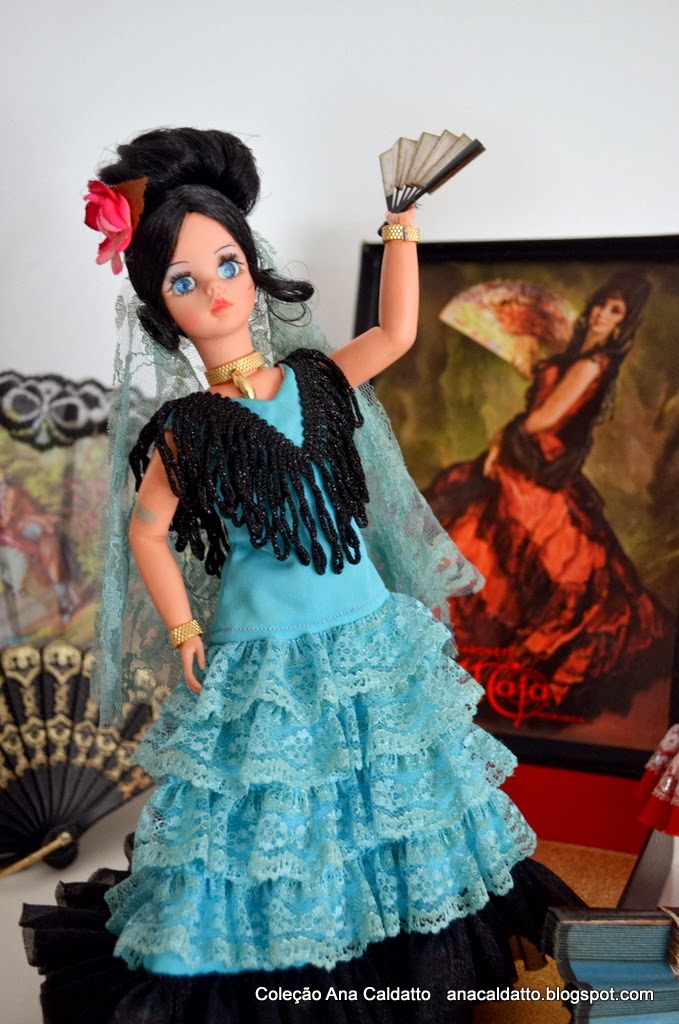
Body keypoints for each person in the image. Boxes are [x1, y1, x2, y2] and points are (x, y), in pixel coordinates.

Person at [21, 127, 580, 1024]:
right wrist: (183, 626)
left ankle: (400, 963)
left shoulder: (315, 381)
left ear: (254, 269)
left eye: (227, 265)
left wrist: (400, 225)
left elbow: (395, 333)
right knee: (278, 820)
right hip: (264, 655)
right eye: (184, 282)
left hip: (362, 630)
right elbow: (147, 531)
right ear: (160, 308)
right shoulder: (186, 428)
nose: (215, 291)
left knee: (388, 799)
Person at [425, 272, 673, 718]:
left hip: (539, 466)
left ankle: (502, 664)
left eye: (615, 311)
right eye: (601, 304)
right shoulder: (577, 357)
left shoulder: (592, 363)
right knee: (473, 533)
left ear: (622, 324)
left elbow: (544, 420)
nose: (601, 314)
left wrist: (503, 437)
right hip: (523, 460)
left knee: (520, 554)